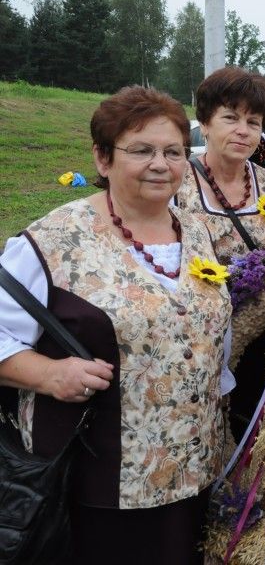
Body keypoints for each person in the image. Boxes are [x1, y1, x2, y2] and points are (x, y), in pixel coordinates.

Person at [0, 86, 233, 564]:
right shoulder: (53, 240)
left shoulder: (197, 231)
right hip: (96, 482)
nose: (161, 164)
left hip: (193, 474)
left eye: (172, 151)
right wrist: (47, 374)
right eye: (141, 150)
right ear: (102, 159)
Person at [173, 67, 265, 437]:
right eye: (230, 117)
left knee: (246, 427)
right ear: (205, 123)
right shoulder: (175, 183)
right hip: (189, 340)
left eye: (253, 121)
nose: (243, 130)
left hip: (257, 339)